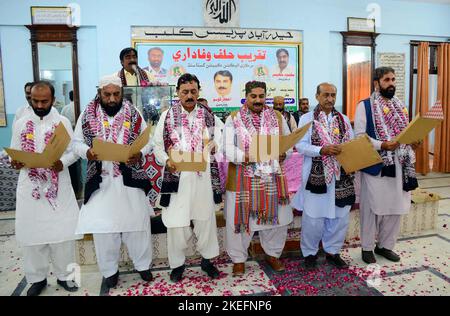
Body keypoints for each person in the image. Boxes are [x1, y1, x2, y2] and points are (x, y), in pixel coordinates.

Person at [73, 75, 154, 288]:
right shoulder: (87, 115)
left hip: (129, 179)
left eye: (116, 94)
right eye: (107, 94)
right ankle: (109, 271)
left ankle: (143, 265)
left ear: (121, 93)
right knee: (104, 229)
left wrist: (140, 153)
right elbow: (76, 144)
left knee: (137, 224)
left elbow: (148, 141)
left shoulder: (134, 114)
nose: (111, 99)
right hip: (102, 180)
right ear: (99, 93)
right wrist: (87, 152)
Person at [9, 81, 81, 296]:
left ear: (53, 100)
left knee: (63, 235)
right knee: (32, 237)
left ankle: (65, 276)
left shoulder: (63, 123)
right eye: (35, 101)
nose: (39, 105)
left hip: (57, 186)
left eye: (44, 101)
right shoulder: (20, 122)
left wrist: (63, 163)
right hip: (30, 187)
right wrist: (15, 162)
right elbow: (14, 150)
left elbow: (74, 151)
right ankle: (36, 279)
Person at [152, 73, 223, 282]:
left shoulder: (209, 115)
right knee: (177, 224)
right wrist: (167, 161)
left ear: (198, 91)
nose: (190, 95)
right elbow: (157, 145)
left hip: (203, 178)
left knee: (205, 221)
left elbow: (220, 138)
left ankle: (208, 261)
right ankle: (177, 265)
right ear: (178, 93)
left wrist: (215, 146)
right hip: (177, 177)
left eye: (193, 91)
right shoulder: (167, 116)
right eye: (185, 92)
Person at [223, 81, 293, 277]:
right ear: (246, 96)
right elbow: (227, 147)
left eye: (261, 96)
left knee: (276, 219)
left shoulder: (277, 117)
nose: (258, 100)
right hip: (242, 177)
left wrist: (283, 153)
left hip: (271, 176)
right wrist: (245, 157)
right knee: (241, 220)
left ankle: (273, 254)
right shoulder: (233, 118)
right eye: (253, 96)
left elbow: (287, 142)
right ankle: (238, 259)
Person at [354, 67, 420, 264]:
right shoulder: (364, 106)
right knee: (372, 208)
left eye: (393, 79)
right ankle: (367, 248)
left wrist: (413, 141)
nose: (391, 83)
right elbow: (359, 137)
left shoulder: (400, 106)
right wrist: (382, 144)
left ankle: (385, 246)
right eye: (386, 80)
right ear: (376, 83)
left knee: (396, 208)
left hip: (400, 164)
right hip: (376, 165)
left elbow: (405, 133)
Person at [291, 83, 355, 270]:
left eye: (333, 95)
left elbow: (350, 144)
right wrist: (322, 150)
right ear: (317, 96)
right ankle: (309, 254)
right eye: (326, 95)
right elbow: (300, 146)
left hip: (340, 177)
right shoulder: (306, 118)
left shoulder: (343, 119)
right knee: (313, 219)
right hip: (315, 178)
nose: (330, 99)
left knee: (340, 218)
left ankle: (332, 252)